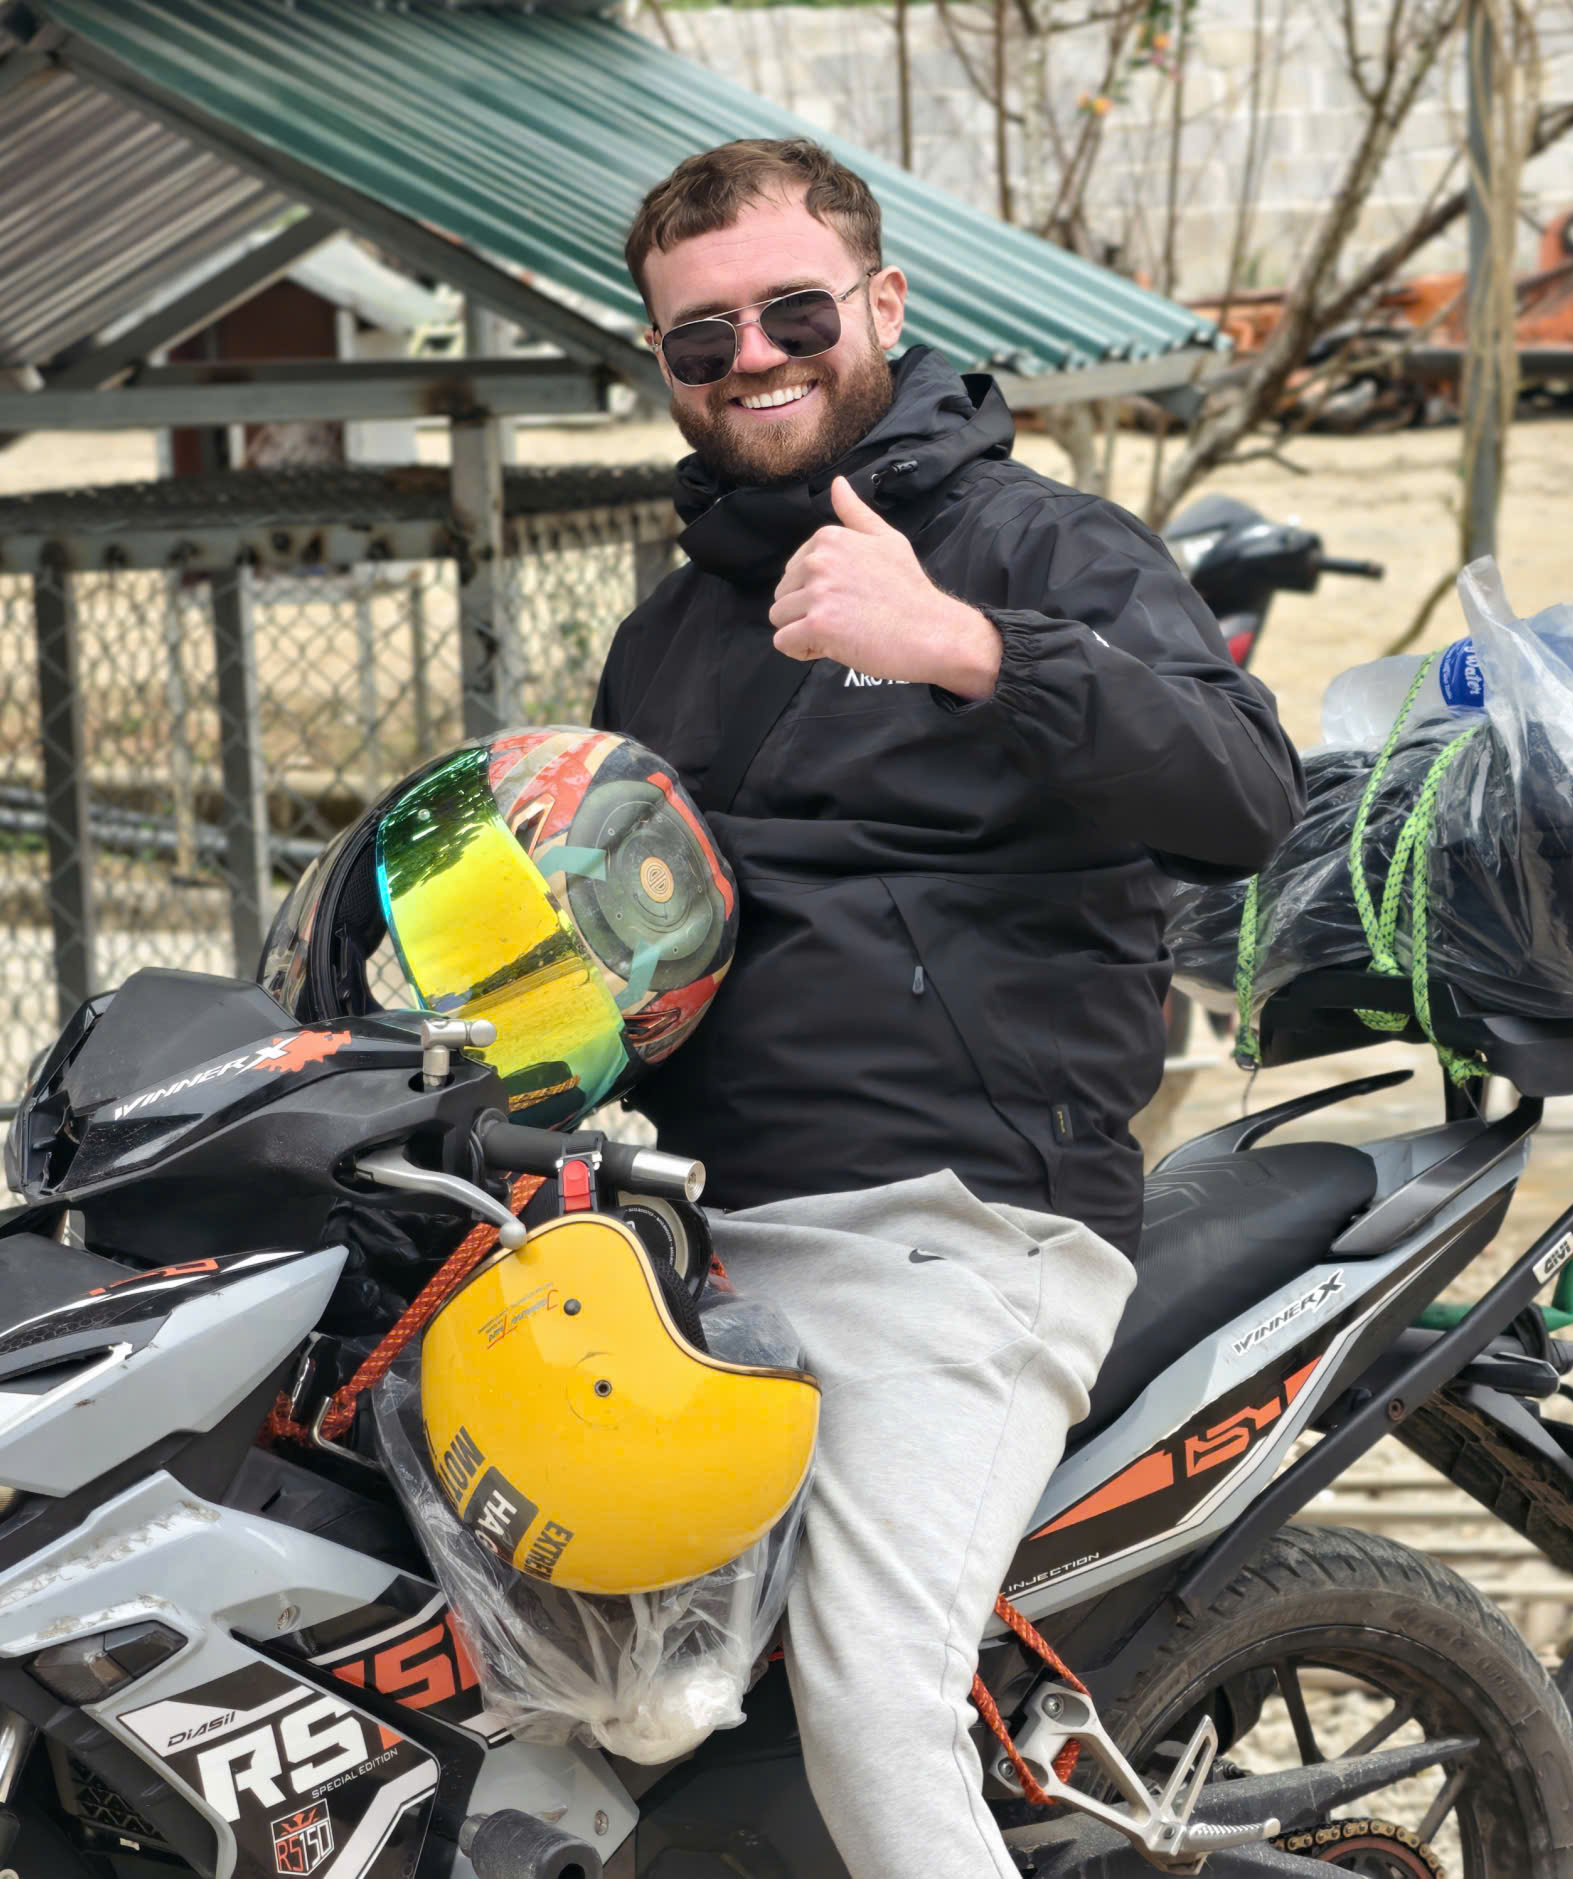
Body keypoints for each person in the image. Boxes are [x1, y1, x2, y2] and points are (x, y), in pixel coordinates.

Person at [593, 138, 1303, 1879]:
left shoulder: (1042, 546)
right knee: (527, 1679)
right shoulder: (673, 631)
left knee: (873, 1707)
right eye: (702, 340)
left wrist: (965, 646)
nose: (751, 358)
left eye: (792, 311)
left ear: (883, 308)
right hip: (695, 1239)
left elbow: (1245, 790)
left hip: (954, 1223)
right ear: (668, 372)